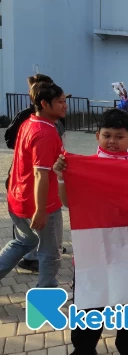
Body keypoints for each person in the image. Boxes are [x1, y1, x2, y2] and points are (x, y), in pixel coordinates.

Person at [53, 109, 128, 355]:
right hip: (92, 250)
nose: (112, 141)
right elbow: (69, 203)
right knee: (90, 303)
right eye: (107, 135)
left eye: (119, 136)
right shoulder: (85, 166)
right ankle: (83, 348)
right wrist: (62, 176)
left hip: (127, 249)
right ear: (97, 136)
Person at [0, 78, 67, 288]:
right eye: (60, 102)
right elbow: (40, 175)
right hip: (40, 204)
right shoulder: (45, 132)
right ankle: (45, 299)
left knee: (25, 241)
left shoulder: (30, 122)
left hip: (18, 197)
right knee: (51, 253)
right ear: (45, 104)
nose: (65, 106)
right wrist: (40, 210)